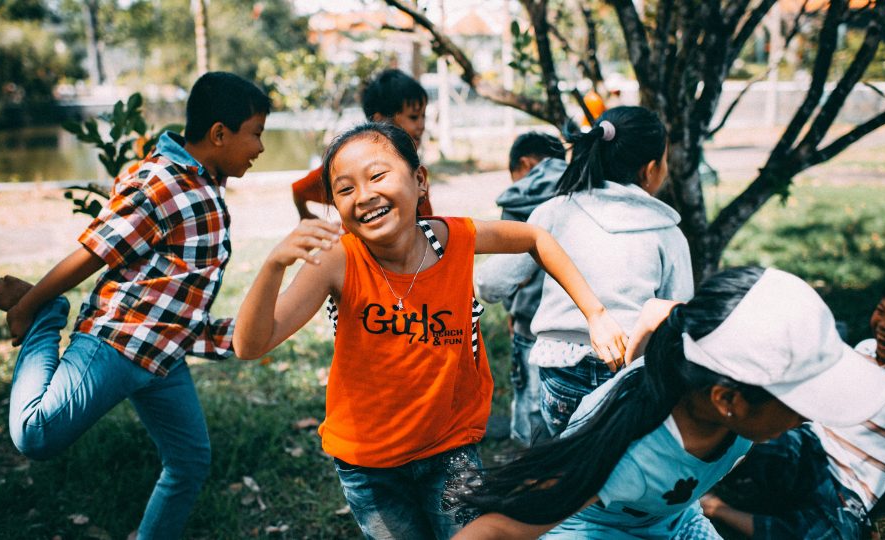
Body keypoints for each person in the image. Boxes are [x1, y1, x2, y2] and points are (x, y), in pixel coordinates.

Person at [232, 122, 627, 539]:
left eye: (377, 176)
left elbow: (534, 237)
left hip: (450, 448)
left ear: (419, 180)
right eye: (345, 189)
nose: (363, 196)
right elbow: (249, 345)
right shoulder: (338, 260)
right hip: (369, 466)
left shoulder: (453, 239)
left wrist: (596, 313)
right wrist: (274, 265)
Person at [0, 72, 270, 539]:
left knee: (189, 461)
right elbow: (96, 251)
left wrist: (235, 333)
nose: (260, 147)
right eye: (255, 134)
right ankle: (50, 318)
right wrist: (30, 306)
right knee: (35, 434)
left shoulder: (206, 183)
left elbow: (175, 290)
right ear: (219, 133)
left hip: (162, 357)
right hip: (117, 342)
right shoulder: (162, 181)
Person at [454, 266, 885, 539]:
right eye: (800, 400)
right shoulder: (625, 455)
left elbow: (658, 312)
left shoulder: (701, 344)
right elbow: (497, 529)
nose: (810, 416)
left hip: (673, 518)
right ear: (728, 400)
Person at [478, 106, 693, 438]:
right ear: (650, 169)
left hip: (560, 374)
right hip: (628, 373)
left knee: (565, 457)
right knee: (612, 459)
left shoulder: (554, 212)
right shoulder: (667, 233)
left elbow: (490, 282)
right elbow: (677, 313)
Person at [699, 276, 885, 539]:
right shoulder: (864, 349)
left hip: (850, 487)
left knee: (835, 534)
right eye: (881, 311)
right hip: (810, 445)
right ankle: (704, 484)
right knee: (760, 438)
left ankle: (716, 508)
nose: (883, 324)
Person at [476, 131, 566, 446]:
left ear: (525, 164)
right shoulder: (582, 187)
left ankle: (527, 459)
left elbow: (504, 275)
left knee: (531, 410)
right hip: (578, 327)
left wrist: (511, 310)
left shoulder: (521, 197)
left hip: (530, 320)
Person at [291, 68, 433, 221]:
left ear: (419, 178)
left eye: (423, 116)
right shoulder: (350, 163)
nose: (421, 125)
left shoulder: (412, 166)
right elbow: (299, 189)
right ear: (381, 121)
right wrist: (306, 215)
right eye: (413, 117)